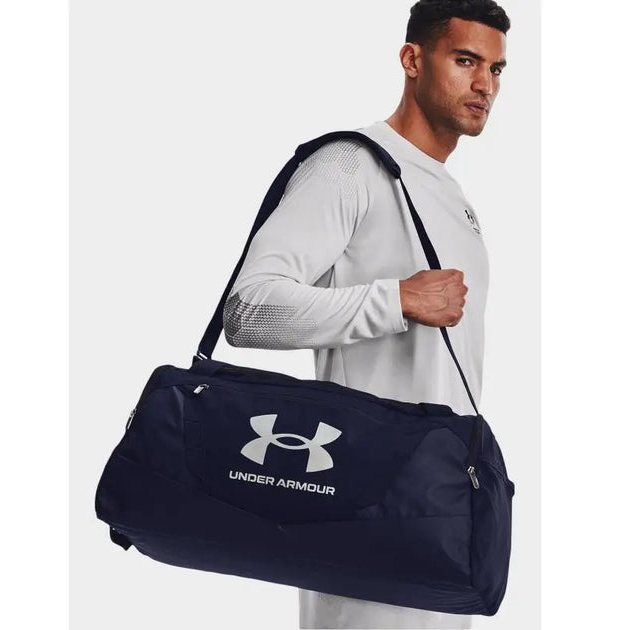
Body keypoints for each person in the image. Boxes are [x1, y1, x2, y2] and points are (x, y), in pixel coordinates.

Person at [222, 0, 510, 627]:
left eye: (495, 69)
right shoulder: (350, 166)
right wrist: (397, 299)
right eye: (466, 61)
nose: (484, 85)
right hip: (357, 502)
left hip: (437, 514)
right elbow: (247, 309)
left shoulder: (451, 196)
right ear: (412, 59)